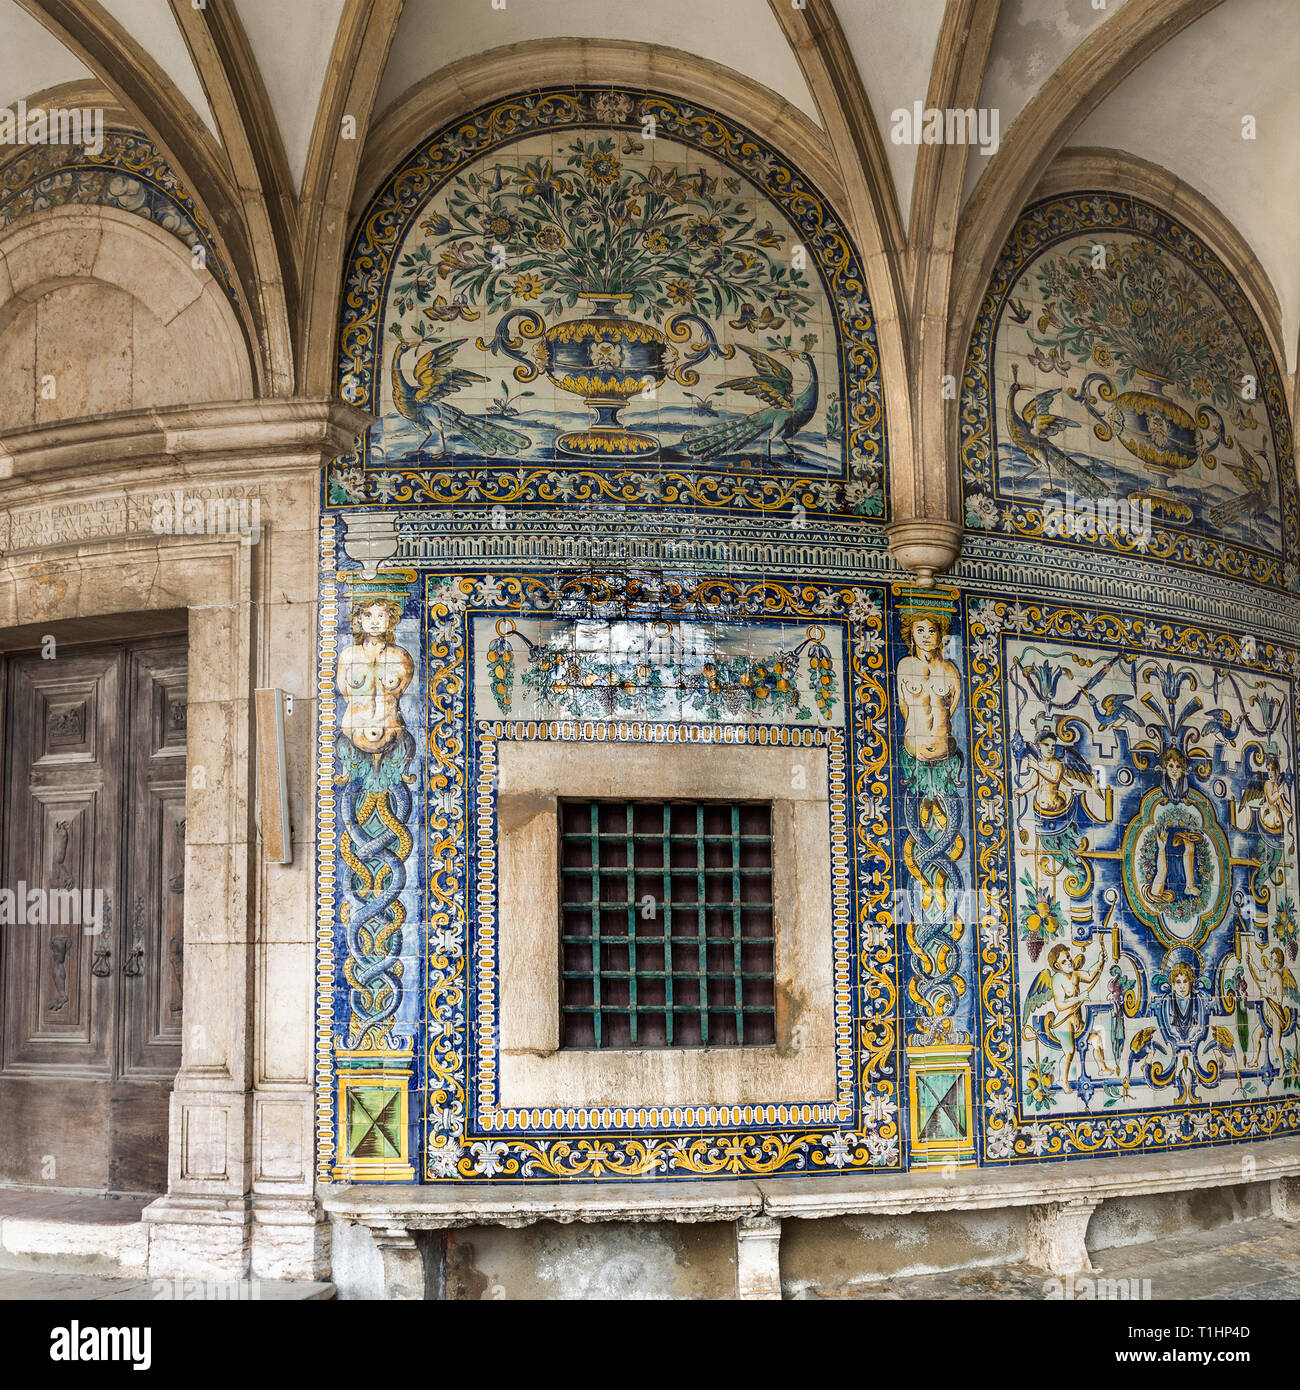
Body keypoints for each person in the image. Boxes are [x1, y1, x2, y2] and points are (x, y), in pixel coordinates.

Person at [896, 612, 962, 795]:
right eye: (920, 630)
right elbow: (904, 707)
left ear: (940, 634)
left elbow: (951, 709)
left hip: (945, 751)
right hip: (915, 752)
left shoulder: (950, 670)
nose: (926, 636)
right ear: (911, 634)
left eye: (932, 631)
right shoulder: (905, 666)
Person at [338, 598, 414, 756]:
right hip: (352, 736)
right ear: (359, 618)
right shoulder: (348, 656)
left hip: (393, 737)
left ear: (390, 618)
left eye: (381, 615)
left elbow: (400, 693)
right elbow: (345, 695)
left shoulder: (401, 657)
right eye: (368, 615)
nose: (374, 622)